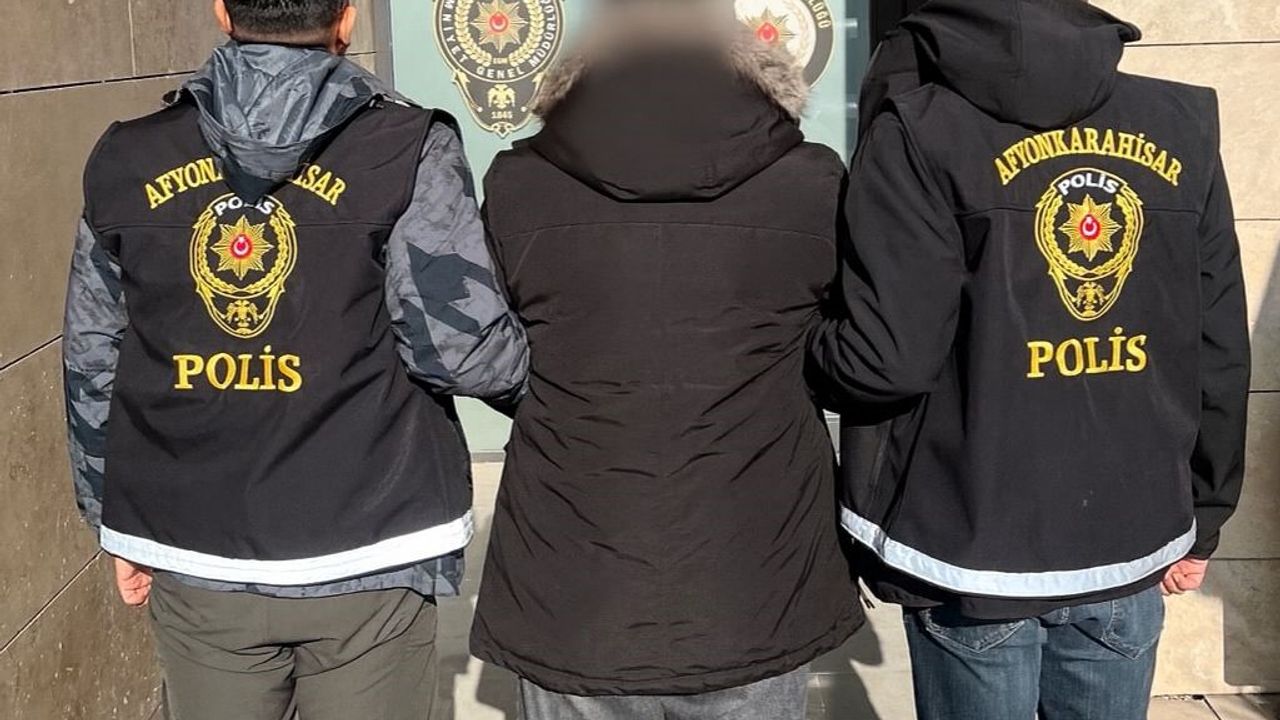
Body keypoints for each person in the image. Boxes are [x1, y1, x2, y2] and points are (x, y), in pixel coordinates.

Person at [62, 1, 528, 718]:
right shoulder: (405, 146)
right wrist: (565, 395)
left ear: (223, 12)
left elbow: (94, 355)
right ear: (346, 18)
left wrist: (111, 515)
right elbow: (457, 348)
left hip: (197, 544)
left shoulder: (127, 156)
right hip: (371, 542)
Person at [809, 1, 1251, 718]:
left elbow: (887, 360)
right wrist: (1206, 513)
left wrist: (805, 349)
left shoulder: (920, 128)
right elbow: (1218, 342)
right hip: (1127, 530)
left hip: (969, 540)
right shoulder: (1179, 123)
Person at [469, 1, 863, 718]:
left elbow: (484, 348)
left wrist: (551, 390)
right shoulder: (811, 180)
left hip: (574, 572)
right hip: (754, 572)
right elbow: (855, 341)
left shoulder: (519, 181)